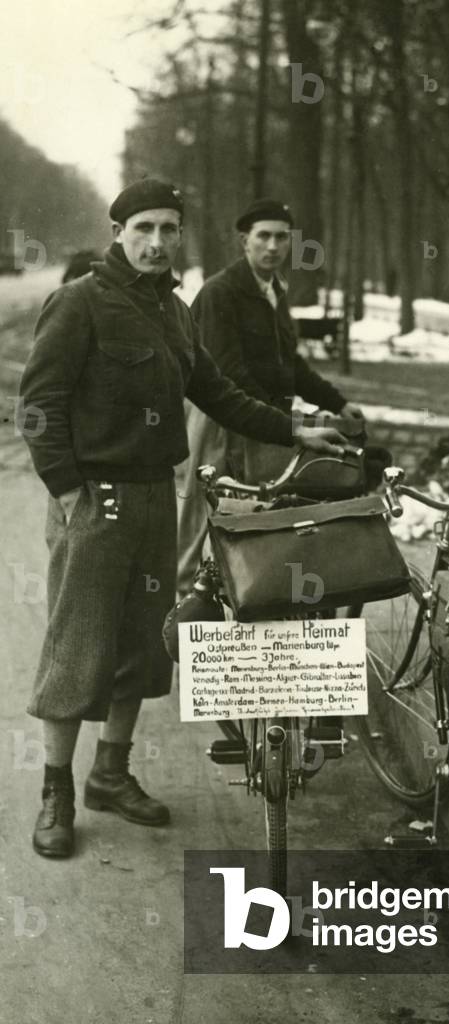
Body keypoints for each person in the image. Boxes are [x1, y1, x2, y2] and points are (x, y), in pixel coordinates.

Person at [19, 178, 346, 859]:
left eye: (170, 229)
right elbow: (39, 404)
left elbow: (218, 392)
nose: (158, 242)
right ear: (119, 233)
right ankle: (57, 789)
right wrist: (69, 491)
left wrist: (294, 430)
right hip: (96, 501)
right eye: (145, 229)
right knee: (77, 647)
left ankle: (110, 774)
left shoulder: (174, 311)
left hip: (152, 498)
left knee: (143, 644)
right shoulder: (79, 303)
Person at [176, 197, 363, 593]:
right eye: (264, 236)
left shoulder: (274, 290)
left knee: (258, 521)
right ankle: (182, 623)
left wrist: (337, 402)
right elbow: (228, 372)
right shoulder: (221, 292)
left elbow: (289, 364)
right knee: (199, 522)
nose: (273, 246)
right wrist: (280, 420)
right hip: (218, 422)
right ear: (245, 240)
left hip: (264, 422)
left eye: (282, 238)